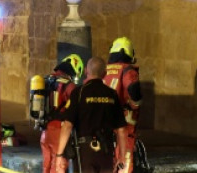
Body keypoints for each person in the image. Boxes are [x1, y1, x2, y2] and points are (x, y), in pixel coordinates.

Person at [54, 57, 130, 173]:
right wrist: (122, 156)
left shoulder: (79, 92)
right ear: (104, 74)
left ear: (85, 71)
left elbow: (67, 125)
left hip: (84, 153)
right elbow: (121, 130)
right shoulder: (112, 94)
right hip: (106, 151)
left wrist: (59, 155)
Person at [40, 54, 84, 173]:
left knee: (47, 166)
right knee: (58, 166)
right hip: (58, 131)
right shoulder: (69, 85)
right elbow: (78, 107)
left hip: (44, 130)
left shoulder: (46, 79)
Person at [102, 37, 142, 167]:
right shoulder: (127, 70)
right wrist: (135, 104)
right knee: (125, 158)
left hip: (103, 122)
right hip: (124, 122)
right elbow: (134, 91)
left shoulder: (103, 69)